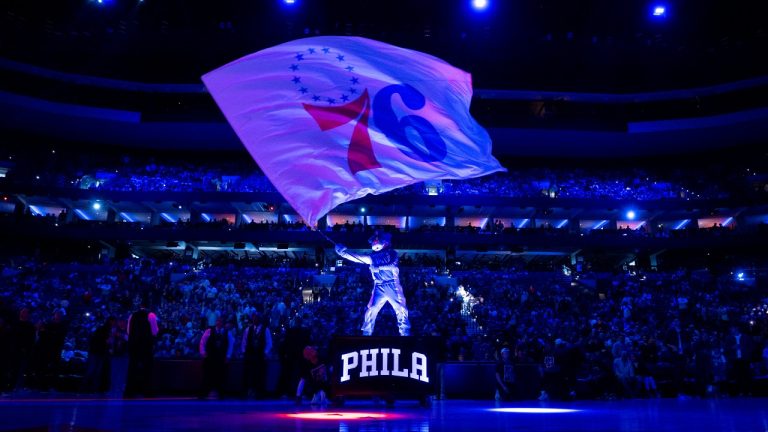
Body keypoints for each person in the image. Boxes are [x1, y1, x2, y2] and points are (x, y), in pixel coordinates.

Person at [334, 231, 410, 336]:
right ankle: (367, 333)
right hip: (378, 286)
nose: (375, 243)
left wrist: (378, 267)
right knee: (371, 309)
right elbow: (358, 258)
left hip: (392, 284)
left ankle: (405, 333)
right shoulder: (372, 257)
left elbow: (393, 265)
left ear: (385, 242)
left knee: (400, 308)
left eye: (378, 240)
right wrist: (344, 253)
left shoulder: (392, 253)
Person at [124, 301, 158, 398]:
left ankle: (129, 392)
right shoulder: (151, 315)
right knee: (147, 369)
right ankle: (147, 392)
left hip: (134, 346)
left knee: (132, 368)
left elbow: (128, 331)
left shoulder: (132, 315)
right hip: (146, 346)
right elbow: (155, 331)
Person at [199, 317, 234, 399]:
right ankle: (204, 394)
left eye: (220, 321)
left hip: (221, 358)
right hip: (210, 357)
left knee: (221, 376)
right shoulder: (209, 331)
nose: (219, 322)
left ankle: (221, 394)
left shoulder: (227, 332)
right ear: (216, 322)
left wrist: (228, 356)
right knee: (207, 376)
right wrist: (203, 352)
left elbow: (231, 345)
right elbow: (202, 342)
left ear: (223, 323)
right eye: (218, 320)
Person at [241, 312, 272, 399]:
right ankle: (249, 392)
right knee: (249, 374)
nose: (255, 319)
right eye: (254, 317)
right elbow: (244, 341)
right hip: (250, 355)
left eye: (257, 317)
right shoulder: (248, 329)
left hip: (260, 356)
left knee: (260, 375)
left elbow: (269, 343)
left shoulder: (265, 330)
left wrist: (265, 352)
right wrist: (244, 352)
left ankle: (259, 393)